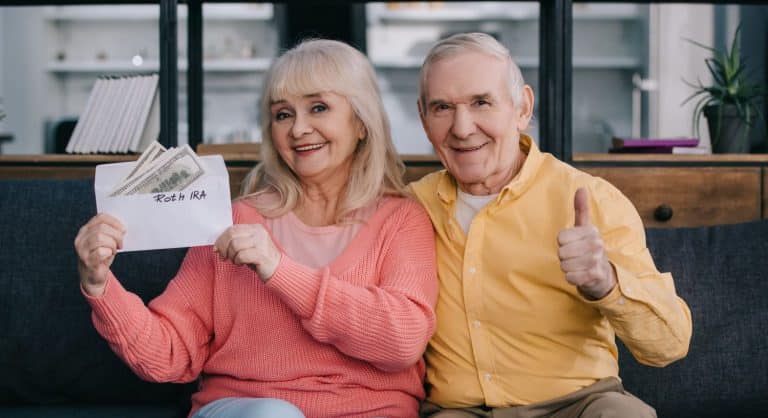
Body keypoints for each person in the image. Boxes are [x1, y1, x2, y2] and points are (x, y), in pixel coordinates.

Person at [74, 39, 438, 418]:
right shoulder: (232, 221)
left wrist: (279, 270)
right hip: (247, 409)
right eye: (282, 114)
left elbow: (402, 342)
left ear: (361, 122)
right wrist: (99, 286)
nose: (298, 129)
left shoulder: (401, 220)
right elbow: (168, 355)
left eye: (318, 108)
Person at [409, 32, 693, 418]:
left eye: (481, 103)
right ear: (424, 119)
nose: (462, 127)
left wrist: (605, 282)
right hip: (460, 411)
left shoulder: (591, 199)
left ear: (522, 108)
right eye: (442, 107)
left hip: (581, 404)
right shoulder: (410, 208)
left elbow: (669, 345)